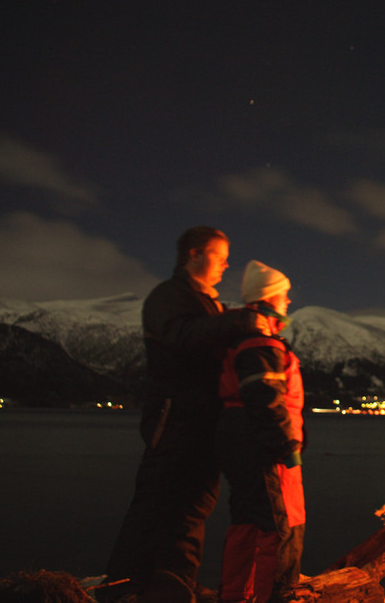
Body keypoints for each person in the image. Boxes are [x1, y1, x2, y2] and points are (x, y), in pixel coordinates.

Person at [101, 227, 262, 603]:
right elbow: (183, 335)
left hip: (205, 421)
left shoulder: (208, 303)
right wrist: (239, 322)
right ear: (194, 255)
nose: (226, 263)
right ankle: (123, 587)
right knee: (157, 502)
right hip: (174, 418)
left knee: (194, 507)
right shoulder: (169, 297)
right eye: (220, 255)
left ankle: (176, 585)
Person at [216, 260, 306, 603]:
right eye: (284, 295)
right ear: (269, 299)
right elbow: (267, 401)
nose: (288, 302)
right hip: (263, 447)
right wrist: (287, 446)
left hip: (239, 441)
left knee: (247, 525)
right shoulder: (261, 344)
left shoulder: (241, 341)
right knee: (279, 528)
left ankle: (237, 596)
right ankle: (276, 597)